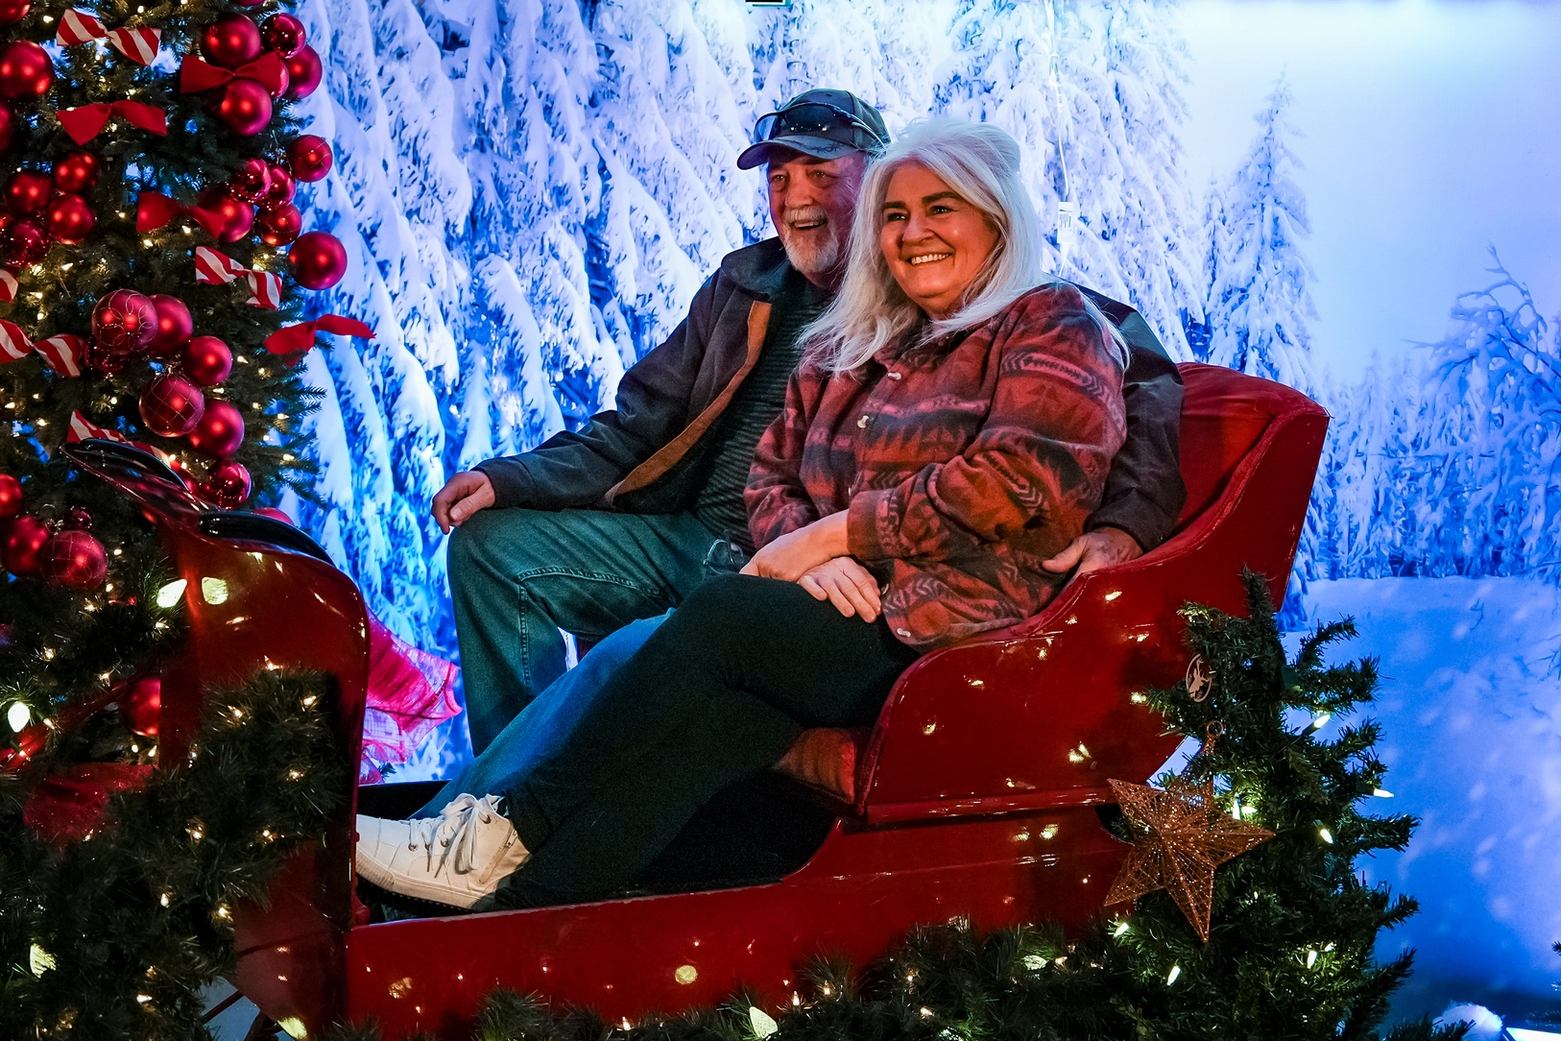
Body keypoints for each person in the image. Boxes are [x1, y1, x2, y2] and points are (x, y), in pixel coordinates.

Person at [355, 119, 1130, 911]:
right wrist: (812, 552)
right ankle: (514, 915)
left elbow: (1023, 480)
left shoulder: (1052, 323)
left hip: (961, 630)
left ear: (996, 220)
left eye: (942, 209)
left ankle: (500, 829)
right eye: (897, 216)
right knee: (728, 722)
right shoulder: (856, 340)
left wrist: (835, 535)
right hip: (839, 608)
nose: (914, 232)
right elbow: (770, 471)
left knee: (721, 616)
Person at [434, 88, 1185, 755]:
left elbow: (1139, 376)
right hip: (687, 536)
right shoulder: (743, 283)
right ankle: (501, 792)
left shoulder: (971, 290)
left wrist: (1127, 523)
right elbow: (640, 421)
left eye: (821, 174)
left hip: (793, 565)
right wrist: (511, 478)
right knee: (492, 549)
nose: (794, 196)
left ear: (881, 175)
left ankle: (519, 812)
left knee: (636, 656)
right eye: (778, 176)